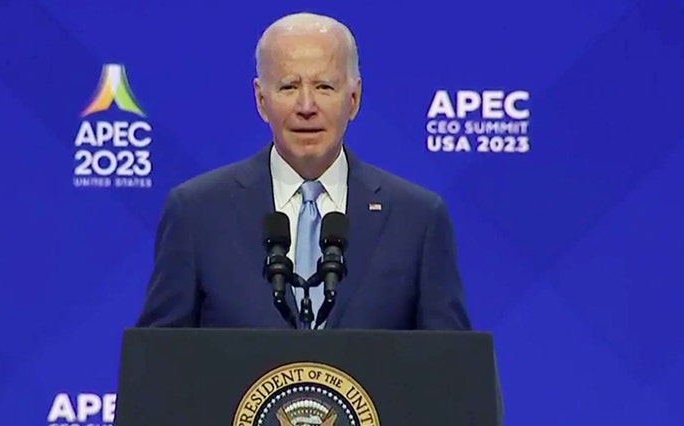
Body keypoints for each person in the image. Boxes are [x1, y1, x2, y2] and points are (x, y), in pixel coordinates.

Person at [135, 12, 471, 331]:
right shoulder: (197, 212)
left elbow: (450, 362)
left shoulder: (417, 218)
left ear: (354, 99)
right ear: (261, 100)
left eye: (324, 87)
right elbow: (159, 359)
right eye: (288, 87)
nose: (306, 107)